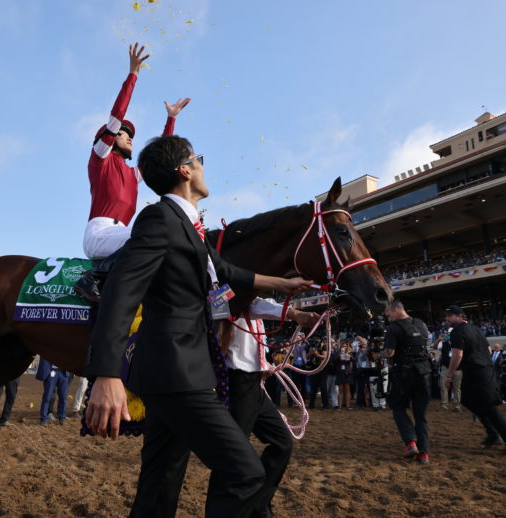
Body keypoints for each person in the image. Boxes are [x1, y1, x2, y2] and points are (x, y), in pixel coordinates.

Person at [83, 135, 312, 517]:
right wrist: (106, 374)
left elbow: (227, 271)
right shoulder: (158, 219)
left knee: (161, 483)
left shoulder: (189, 227)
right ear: (185, 170)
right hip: (176, 373)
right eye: (198, 158)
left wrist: (284, 284)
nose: (204, 165)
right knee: (246, 472)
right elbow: (121, 292)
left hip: (175, 372)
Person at [76, 43, 191, 301]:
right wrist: (133, 75)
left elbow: (160, 156)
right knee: (155, 228)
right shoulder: (100, 158)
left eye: (130, 136)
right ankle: (92, 278)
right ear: (108, 138)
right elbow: (116, 115)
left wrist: (171, 119)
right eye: (123, 134)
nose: (129, 138)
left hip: (122, 236)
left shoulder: (133, 174)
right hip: (100, 234)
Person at [225, 298, 317, 517]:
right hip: (237, 382)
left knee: (282, 442)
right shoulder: (239, 297)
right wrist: (294, 314)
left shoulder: (258, 300)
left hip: (253, 382)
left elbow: (261, 306)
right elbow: (254, 306)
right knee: (236, 455)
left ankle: (259, 504)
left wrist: (263, 364)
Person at [442, 305, 506, 456]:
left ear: (459, 316)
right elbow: (488, 350)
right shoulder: (475, 329)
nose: (447, 318)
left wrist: (449, 375)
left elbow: (457, 355)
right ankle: (493, 434)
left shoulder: (456, 332)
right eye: (447, 316)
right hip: (484, 370)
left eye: (450, 316)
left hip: (476, 373)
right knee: (468, 400)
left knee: (490, 409)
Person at [382, 300, 432, 465]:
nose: (388, 318)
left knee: (398, 408)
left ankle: (410, 443)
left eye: (388, 314)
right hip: (424, 373)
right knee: (420, 415)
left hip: (404, 374)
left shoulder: (393, 328)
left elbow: (389, 352)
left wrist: (376, 354)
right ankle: (424, 454)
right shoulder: (421, 324)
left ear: (395, 310)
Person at [36, 357, 72, 426]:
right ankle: (43, 418)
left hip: (63, 373)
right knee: (47, 397)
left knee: (63, 397)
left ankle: (62, 417)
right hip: (51, 371)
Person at [437, 329, 462, 410]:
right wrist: (438, 340)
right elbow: (434, 347)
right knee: (443, 386)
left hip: (458, 368)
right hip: (446, 367)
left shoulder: (460, 343)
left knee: (456, 387)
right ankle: (444, 404)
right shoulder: (443, 343)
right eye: (449, 334)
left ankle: (457, 405)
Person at [336, 341, 355, 409]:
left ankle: (348, 406)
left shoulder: (349, 353)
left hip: (347, 373)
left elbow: (353, 360)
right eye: (342, 346)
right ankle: (339, 406)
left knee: (347, 389)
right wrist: (340, 355)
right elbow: (335, 360)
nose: (344, 347)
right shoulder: (338, 353)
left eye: (345, 346)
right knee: (340, 390)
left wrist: (349, 356)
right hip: (340, 373)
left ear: (347, 347)